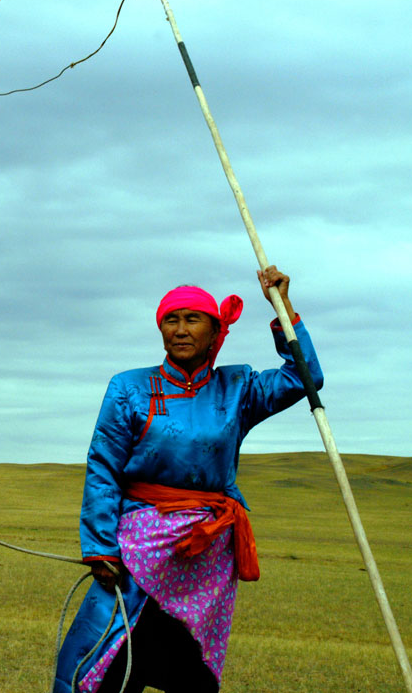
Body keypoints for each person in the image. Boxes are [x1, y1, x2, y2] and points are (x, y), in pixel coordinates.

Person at [52, 266, 323, 693]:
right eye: (170, 320)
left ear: (215, 331)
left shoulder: (238, 388)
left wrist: (281, 306)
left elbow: (305, 377)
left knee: (191, 675)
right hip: (137, 554)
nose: (179, 330)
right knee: (103, 665)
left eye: (192, 319)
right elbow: (102, 467)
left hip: (205, 562)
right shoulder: (129, 388)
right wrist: (100, 546)